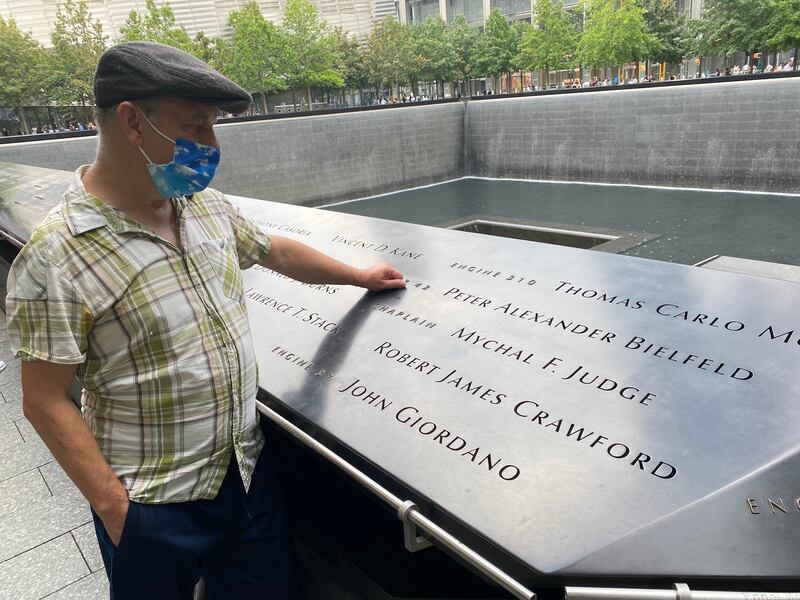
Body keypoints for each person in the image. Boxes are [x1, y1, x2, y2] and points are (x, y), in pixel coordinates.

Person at [5, 41, 405, 600]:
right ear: (132, 122)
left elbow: (276, 251)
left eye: (214, 126)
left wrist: (360, 276)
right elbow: (43, 399)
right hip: (151, 502)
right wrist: (116, 511)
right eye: (197, 126)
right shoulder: (58, 255)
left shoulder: (206, 208)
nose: (212, 145)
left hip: (244, 475)